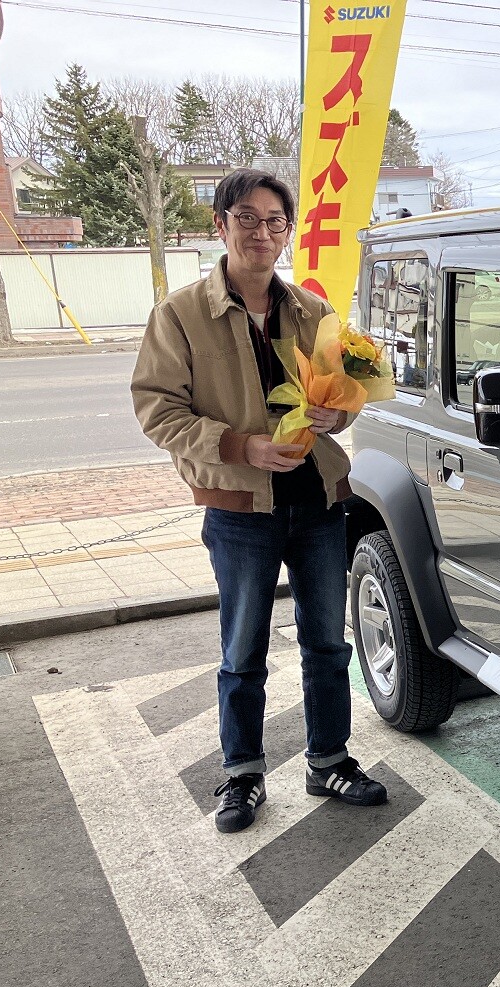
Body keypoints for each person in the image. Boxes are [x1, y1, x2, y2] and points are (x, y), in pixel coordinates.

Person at [132, 168, 387, 833]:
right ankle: (242, 773)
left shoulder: (312, 310)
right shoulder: (180, 314)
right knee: (242, 652)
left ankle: (328, 760)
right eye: (246, 218)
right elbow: (157, 409)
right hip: (240, 510)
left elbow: (346, 392)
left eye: (275, 221)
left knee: (328, 644)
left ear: (287, 232)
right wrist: (240, 446)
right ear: (220, 225)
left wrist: (339, 414)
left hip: (319, 502)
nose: (262, 233)